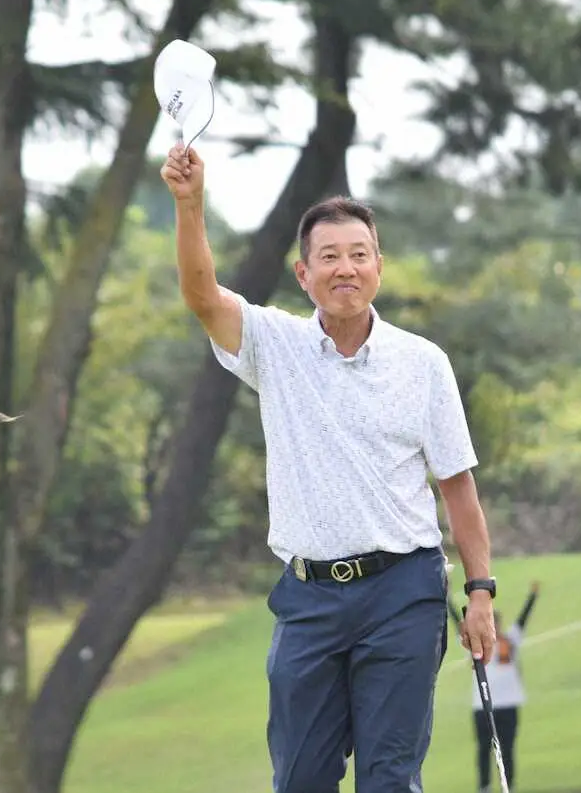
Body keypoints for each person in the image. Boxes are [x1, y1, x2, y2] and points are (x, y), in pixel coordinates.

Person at [160, 143, 497, 793]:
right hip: (309, 596)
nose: (346, 268)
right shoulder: (274, 344)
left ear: (379, 267)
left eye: (359, 255)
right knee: (300, 778)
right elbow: (202, 296)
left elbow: (459, 488)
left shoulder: (423, 363)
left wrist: (480, 591)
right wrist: (189, 204)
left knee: (389, 779)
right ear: (303, 272)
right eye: (330, 256)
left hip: (403, 591)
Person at [451, 581, 540, 793]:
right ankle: (484, 787)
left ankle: (509, 786)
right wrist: (448, 601)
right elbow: (457, 623)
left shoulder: (510, 640)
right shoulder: (475, 643)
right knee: (484, 749)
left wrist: (532, 596)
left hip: (508, 703)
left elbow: (522, 620)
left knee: (507, 748)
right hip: (483, 705)